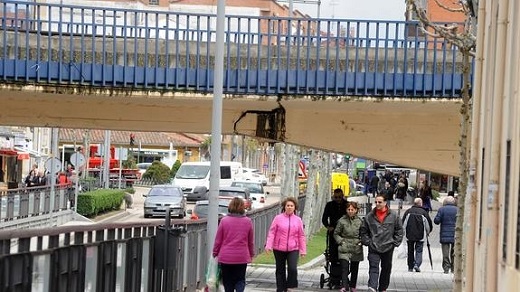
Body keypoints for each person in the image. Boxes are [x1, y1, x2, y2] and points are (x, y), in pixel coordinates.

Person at [360, 194, 403, 292]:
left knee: (386, 269)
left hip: (388, 247)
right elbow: (363, 231)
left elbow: (399, 230)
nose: (377, 204)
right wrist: (368, 242)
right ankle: (372, 287)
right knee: (373, 267)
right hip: (374, 247)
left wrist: (395, 243)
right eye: (376, 202)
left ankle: (383, 288)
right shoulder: (369, 216)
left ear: (385, 203)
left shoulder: (393, 215)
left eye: (379, 202)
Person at [213, 197, 254, 292]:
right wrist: (251, 254)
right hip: (241, 257)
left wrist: (215, 252)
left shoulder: (224, 221)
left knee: (228, 281)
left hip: (226, 257)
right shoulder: (248, 221)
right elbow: (250, 241)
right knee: (240, 279)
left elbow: (218, 239)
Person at [265, 197, 306, 292]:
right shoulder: (278, 218)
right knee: (280, 269)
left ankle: (290, 286)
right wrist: (268, 245)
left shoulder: (298, 220)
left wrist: (303, 250)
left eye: (292, 206)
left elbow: (301, 236)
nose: (289, 207)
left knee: (292, 268)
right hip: (279, 248)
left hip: (293, 248)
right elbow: (272, 233)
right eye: (288, 205)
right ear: (284, 207)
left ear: (295, 207)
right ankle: (280, 288)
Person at [333, 201, 364, 292]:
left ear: (356, 210)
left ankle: (353, 285)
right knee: (344, 267)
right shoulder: (342, 221)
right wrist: (341, 241)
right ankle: (344, 286)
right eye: (348, 209)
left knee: (354, 268)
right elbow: (336, 233)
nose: (350, 211)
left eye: (352, 209)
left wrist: (361, 241)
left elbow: (364, 233)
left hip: (356, 246)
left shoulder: (360, 221)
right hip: (344, 245)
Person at [402, 198, 432, 273]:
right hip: (420, 235)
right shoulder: (423, 212)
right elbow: (428, 224)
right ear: (420, 204)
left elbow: (403, 224)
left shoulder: (408, 212)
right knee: (419, 250)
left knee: (410, 251)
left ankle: (410, 266)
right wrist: (428, 232)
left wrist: (402, 233)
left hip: (410, 235)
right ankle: (417, 264)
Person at [322, 188, 347, 264]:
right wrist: (328, 227)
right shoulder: (330, 205)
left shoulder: (347, 204)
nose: (338, 199)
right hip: (333, 231)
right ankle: (333, 269)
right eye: (336, 197)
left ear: (342, 196)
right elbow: (324, 218)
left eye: (340, 197)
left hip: (344, 232)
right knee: (333, 251)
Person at [434, 196, 458, 274]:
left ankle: (446, 268)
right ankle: (453, 267)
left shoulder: (442, 209)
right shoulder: (457, 210)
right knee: (454, 252)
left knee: (445, 252)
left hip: (444, 234)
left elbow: (436, 221)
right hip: (455, 234)